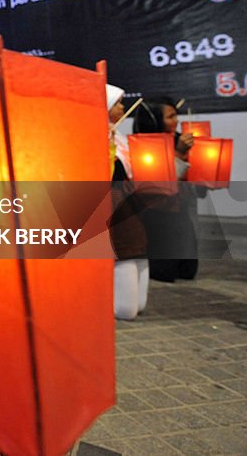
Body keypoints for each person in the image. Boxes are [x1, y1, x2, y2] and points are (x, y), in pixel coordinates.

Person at [133, 96, 200, 283]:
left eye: (175, 115)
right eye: (170, 117)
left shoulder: (179, 140)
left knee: (187, 270)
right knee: (163, 270)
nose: (176, 121)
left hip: (180, 210)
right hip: (157, 213)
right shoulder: (145, 146)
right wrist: (178, 154)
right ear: (154, 120)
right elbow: (159, 185)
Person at [106, 84, 149, 320]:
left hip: (129, 206)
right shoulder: (94, 137)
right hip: (113, 209)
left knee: (138, 251)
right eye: (117, 103)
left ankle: (131, 302)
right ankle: (116, 306)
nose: (123, 107)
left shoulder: (119, 137)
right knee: (125, 252)